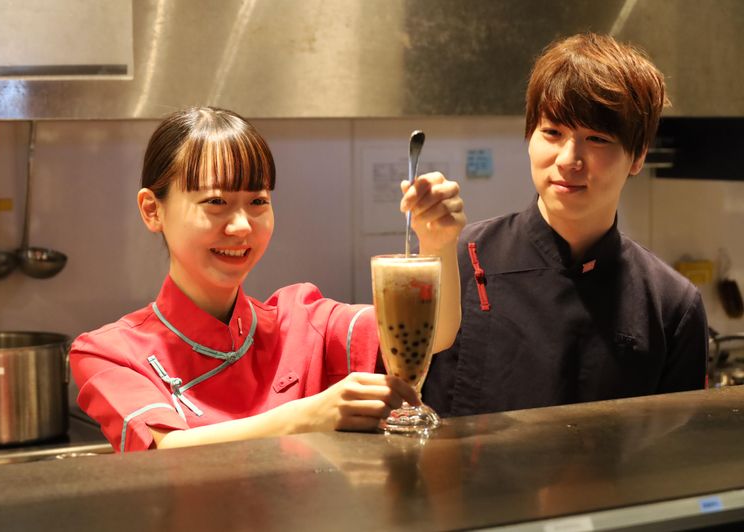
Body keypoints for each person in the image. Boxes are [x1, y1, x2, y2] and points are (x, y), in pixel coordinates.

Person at [70, 107, 465, 452]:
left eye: (258, 201)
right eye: (216, 202)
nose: (242, 226)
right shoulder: (109, 352)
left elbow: (435, 336)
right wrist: (308, 416)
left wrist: (439, 241)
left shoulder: (303, 320)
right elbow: (166, 450)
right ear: (152, 210)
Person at [423, 33, 708, 417]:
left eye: (597, 138)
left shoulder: (671, 305)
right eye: (553, 132)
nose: (569, 159)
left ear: (638, 156)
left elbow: (678, 451)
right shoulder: (460, 257)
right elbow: (397, 405)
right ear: (529, 136)